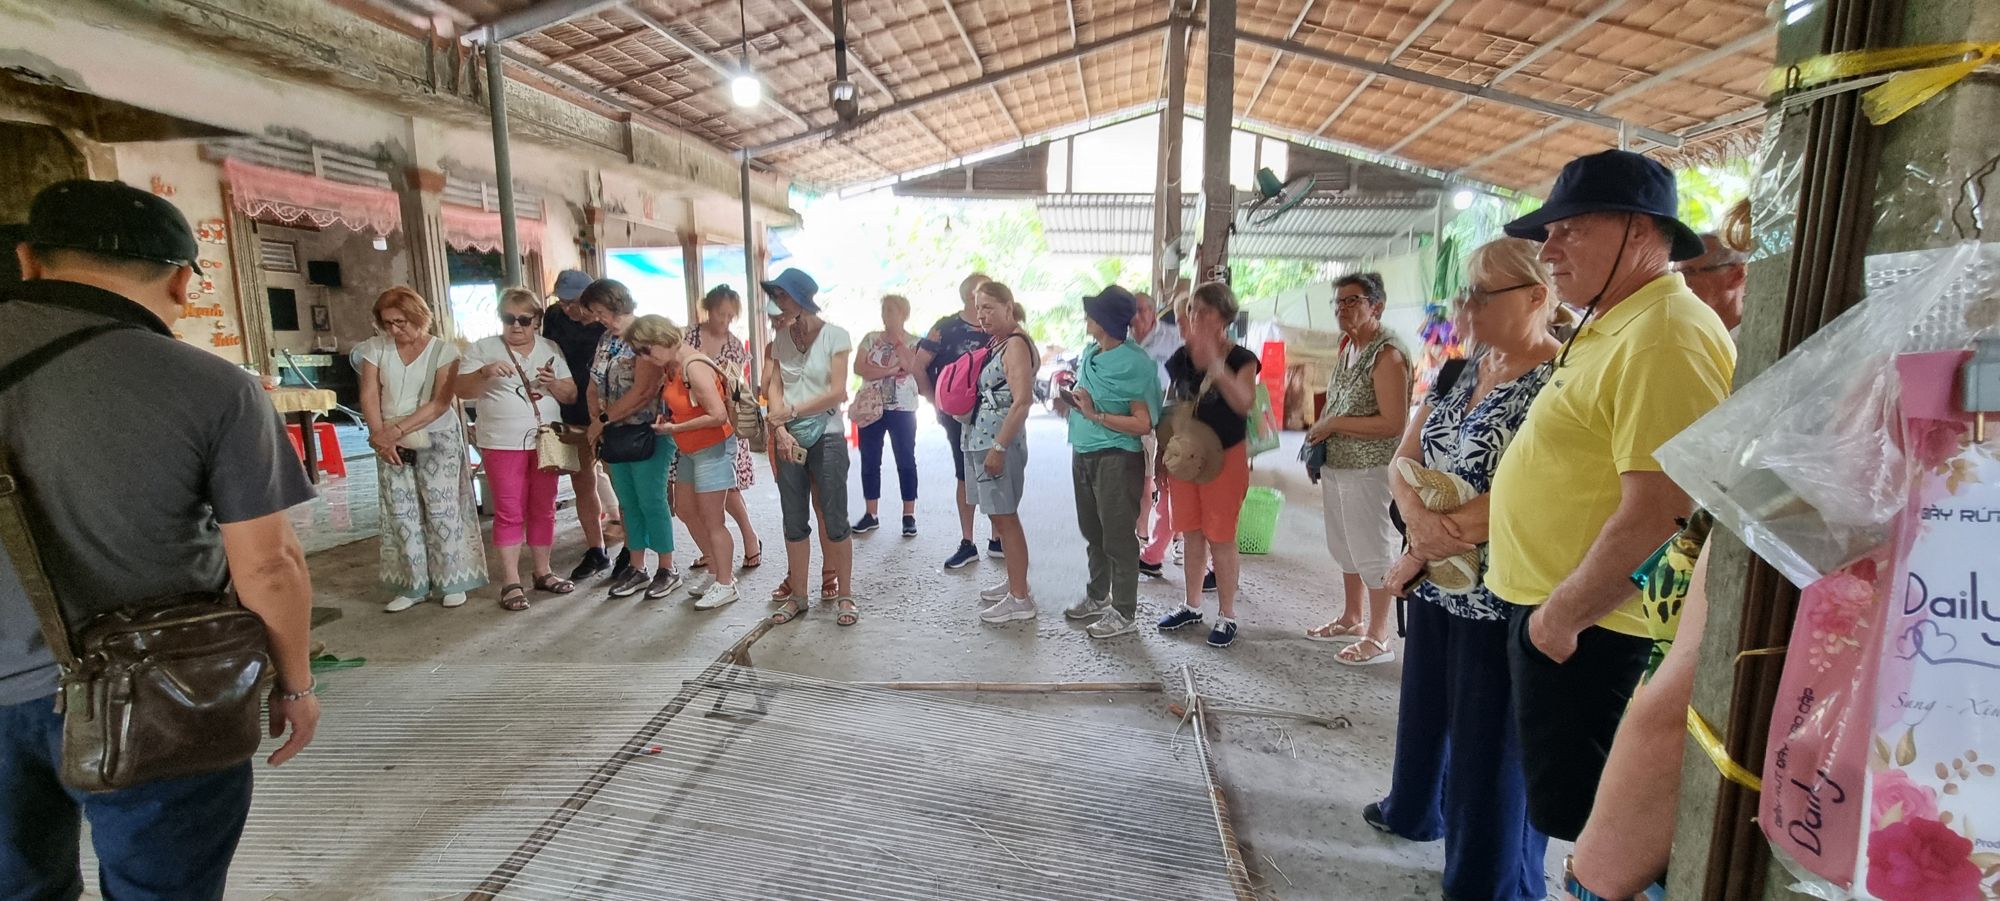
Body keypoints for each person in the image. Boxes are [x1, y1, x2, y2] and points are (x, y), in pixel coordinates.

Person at [2, 179, 319, 897]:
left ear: (29, 259)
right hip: (157, 695)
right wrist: (294, 683)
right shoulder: (214, 387)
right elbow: (270, 565)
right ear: (181, 280)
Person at [1486, 149, 1735, 842]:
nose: (1549, 250)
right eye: (1548, 232)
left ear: (1640, 229)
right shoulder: (1616, 320)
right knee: (1571, 816)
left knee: (1601, 832)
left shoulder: (1665, 336)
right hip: (1566, 616)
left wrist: (1559, 621)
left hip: (1598, 627)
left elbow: (1664, 510)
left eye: (1570, 229)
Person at [1363, 239, 1563, 901]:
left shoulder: (1559, 380)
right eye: (1464, 293)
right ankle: (1415, 809)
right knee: (1427, 709)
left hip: (1504, 591)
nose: (1466, 307)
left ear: (1536, 297)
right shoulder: (1461, 368)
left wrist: (1421, 544)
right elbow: (1404, 457)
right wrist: (1416, 523)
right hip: (1439, 584)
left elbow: (1530, 493)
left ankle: (1486, 880)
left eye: (1482, 294)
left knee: (1490, 744)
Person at [1303, 272, 1412, 665]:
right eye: (1339, 302)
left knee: (1372, 549)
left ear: (1376, 306)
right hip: (1339, 463)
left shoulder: (1388, 355)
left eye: (1353, 301)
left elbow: (1393, 423)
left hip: (1369, 469)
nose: (1343, 309)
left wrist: (1333, 424)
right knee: (1345, 545)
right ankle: (1352, 617)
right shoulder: (1349, 345)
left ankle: (1378, 636)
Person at [358, 286, 487, 611]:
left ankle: (452, 580)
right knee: (402, 511)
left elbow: (440, 403)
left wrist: (396, 431)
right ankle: (413, 585)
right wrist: (379, 435)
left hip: (436, 437)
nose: (394, 329)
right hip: (388, 439)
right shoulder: (375, 348)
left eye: (400, 322)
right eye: (387, 323)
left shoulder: (444, 351)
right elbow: (369, 394)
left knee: (442, 508)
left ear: (417, 317)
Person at [457, 287, 577, 611]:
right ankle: (511, 580)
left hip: (547, 439)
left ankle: (543, 570)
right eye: (508, 318)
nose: (516, 326)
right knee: (510, 510)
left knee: (544, 506)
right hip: (501, 441)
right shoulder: (482, 349)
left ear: (536, 320)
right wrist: (484, 372)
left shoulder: (550, 348)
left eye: (524, 320)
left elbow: (570, 395)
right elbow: (460, 389)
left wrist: (552, 382)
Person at [1154, 283, 1260, 647]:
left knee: (1221, 536)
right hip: (1185, 457)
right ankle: (1192, 604)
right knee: (1191, 532)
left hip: (1224, 457)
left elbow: (1244, 402)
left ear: (1223, 317)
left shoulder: (1241, 359)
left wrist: (1216, 362)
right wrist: (1162, 454)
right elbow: (1170, 406)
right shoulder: (1181, 357)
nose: (1195, 316)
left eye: (1204, 311)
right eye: (1192, 310)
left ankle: (1227, 615)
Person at [1054, 286, 1162, 639]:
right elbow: (1090, 399)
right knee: (1093, 531)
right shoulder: (1091, 353)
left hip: (1116, 456)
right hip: (1084, 450)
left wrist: (1096, 415)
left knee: (1117, 536)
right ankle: (1098, 595)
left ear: (1106, 321)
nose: (1087, 317)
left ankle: (1124, 610)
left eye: (1093, 313)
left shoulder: (1135, 363)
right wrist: (1074, 402)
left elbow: (1143, 423)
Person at [761, 268, 857, 626]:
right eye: (776, 296)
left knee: (834, 516)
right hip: (788, 434)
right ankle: (798, 596)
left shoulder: (836, 336)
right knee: (793, 517)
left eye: (783, 296)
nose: (778, 303)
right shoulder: (781, 339)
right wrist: (780, 428)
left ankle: (845, 594)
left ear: (802, 299)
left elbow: (837, 392)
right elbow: (775, 386)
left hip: (827, 432)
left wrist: (791, 412)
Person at [628, 314, 742, 611]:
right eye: (639, 352)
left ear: (661, 339)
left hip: (713, 447)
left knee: (713, 519)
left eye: (645, 349)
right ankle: (716, 572)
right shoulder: (672, 364)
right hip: (691, 447)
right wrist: (674, 422)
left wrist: (674, 428)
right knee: (686, 510)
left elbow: (718, 415)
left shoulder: (693, 365)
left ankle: (726, 583)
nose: (644, 357)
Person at [581, 278, 683, 601]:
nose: (599, 318)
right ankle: (637, 566)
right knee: (628, 502)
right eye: (595, 312)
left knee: (652, 499)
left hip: (647, 431)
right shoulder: (605, 340)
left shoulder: (642, 335)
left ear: (616, 303)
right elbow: (593, 384)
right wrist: (596, 419)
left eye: (601, 310)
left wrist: (602, 421)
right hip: (614, 434)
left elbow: (643, 391)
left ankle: (667, 567)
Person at [965, 282, 1041, 624]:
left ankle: (1020, 598)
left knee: (1006, 518)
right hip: (985, 438)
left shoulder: (1016, 345)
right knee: (998, 517)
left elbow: (1022, 401)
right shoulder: (1001, 342)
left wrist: (998, 447)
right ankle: (1015, 583)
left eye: (989, 308)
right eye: (978, 308)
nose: (982, 315)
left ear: (1009, 307)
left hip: (999, 441)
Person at [543, 269, 625, 582]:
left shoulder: (608, 324)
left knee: (621, 482)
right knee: (583, 480)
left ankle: (632, 550)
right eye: (563, 302)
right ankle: (596, 549)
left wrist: (602, 417)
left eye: (575, 303)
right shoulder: (554, 317)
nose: (569, 309)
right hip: (571, 408)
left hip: (609, 412)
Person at [916, 272, 998, 569]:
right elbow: (918, 366)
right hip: (958, 415)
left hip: (996, 414)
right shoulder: (945, 327)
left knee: (996, 471)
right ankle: (968, 541)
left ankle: (998, 537)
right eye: (983, 292)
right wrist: (935, 402)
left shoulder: (999, 326)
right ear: (969, 296)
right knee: (965, 475)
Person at [685, 285, 763, 570]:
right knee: (694, 495)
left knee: (728, 489)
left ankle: (750, 538)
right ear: (708, 309)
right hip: (690, 423)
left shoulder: (734, 345)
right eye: (721, 314)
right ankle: (711, 551)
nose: (725, 321)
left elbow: (739, 389)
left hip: (724, 422)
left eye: (731, 316)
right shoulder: (688, 336)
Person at [853, 294, 923, 537]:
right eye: (884, 310)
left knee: (906, 459)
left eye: (891, 311)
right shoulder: (870, 338)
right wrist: (892, 370)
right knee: (870, 459)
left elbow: (912, 367)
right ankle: (871, 513)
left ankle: (909, 515)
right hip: (871, 406)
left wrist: (897, 343)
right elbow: (859, 368)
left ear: (904, 314)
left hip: (903, 407)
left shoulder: (914, 341)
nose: (886, 316)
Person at [1132, 290, 1185, 580]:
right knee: (1154, 483)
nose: (1137, 315)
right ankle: (1150, 546)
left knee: (1173, 489)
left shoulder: (1176, 340)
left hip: (1174, 424)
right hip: (1141, 420)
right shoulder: (1123, 340)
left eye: (1143, 309)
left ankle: (1172, 545)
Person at [1675, 233, 1748, 332]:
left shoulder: (1762, 333)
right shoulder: (1680, 333)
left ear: (1736, 276)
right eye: (1674, 274)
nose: (1677, 283)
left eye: (1687, 273)